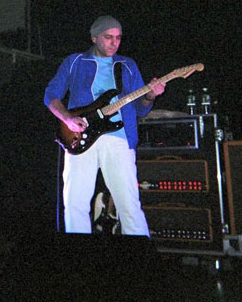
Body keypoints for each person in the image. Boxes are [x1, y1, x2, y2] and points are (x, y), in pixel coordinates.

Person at [44, 15, 165, 235]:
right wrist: (67, 119)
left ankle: (140, 250)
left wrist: (150, 96)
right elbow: (51, 95)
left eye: (118, 38)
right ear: (94, 38)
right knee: (75, 203)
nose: (114, 42)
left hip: (119, 139)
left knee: (129, 204)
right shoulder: (74, 61)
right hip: (80, 135)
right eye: (108, 37)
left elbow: (141, 109)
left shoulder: (127, 65)